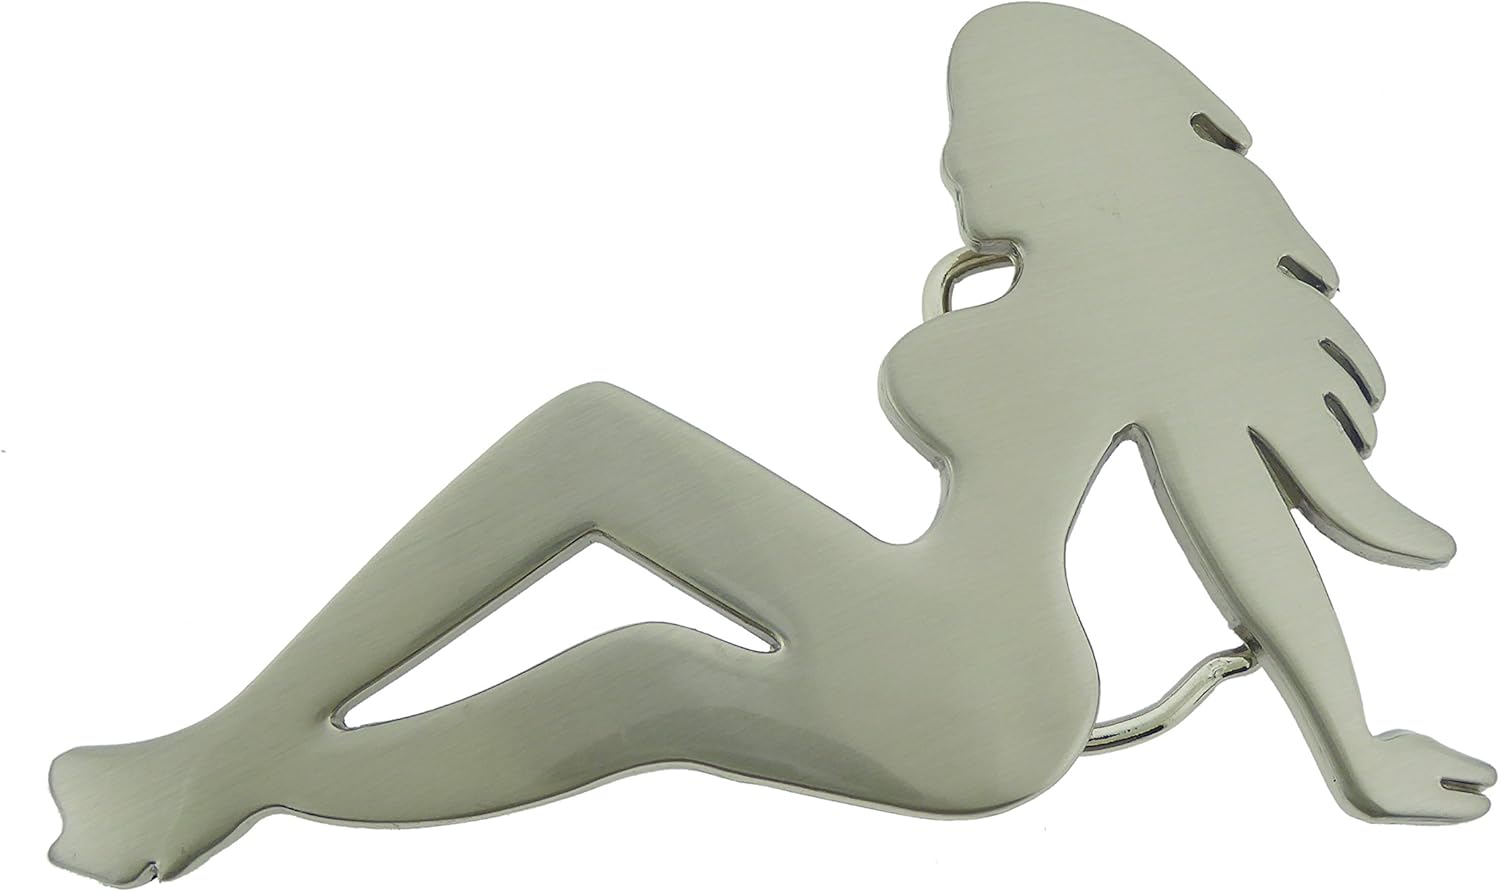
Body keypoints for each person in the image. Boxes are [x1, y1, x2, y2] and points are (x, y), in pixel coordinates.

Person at [48, 4, 1492, 886]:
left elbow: (1249, 534)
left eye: (975, 135)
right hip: (926, 632)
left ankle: (227, 773)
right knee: (615, 547)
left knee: (619, 556)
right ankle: (226, 762)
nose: (957, 164)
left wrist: (1354, 751)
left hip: (980, 692)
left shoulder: (1136, 322)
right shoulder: (1049, 301)